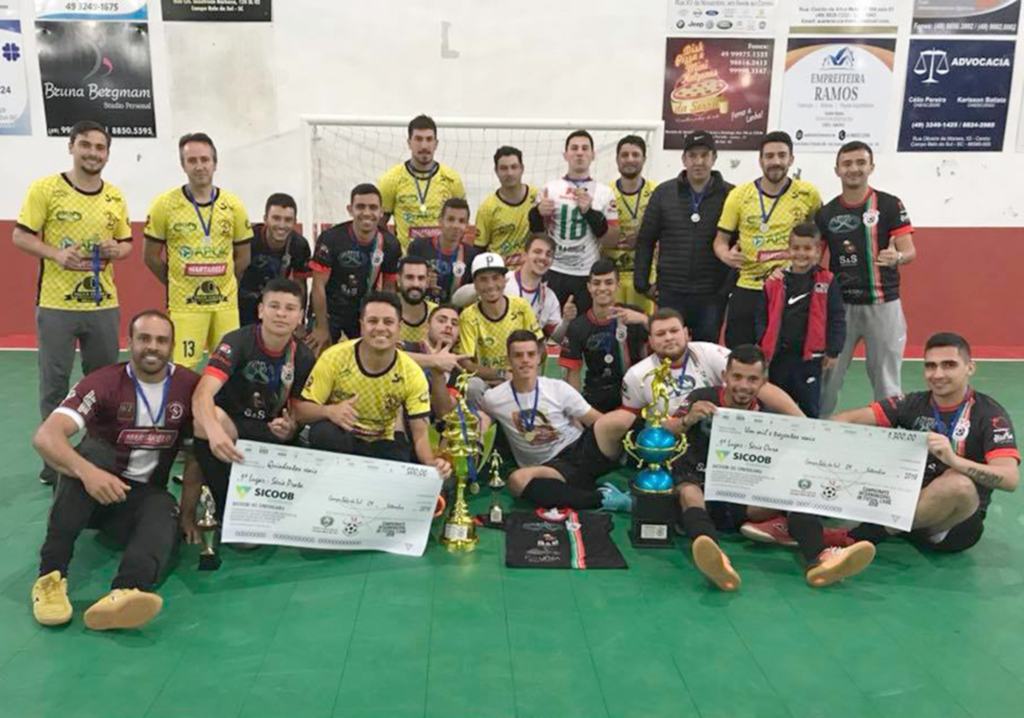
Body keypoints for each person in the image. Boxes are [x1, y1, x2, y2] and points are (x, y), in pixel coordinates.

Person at [29, 311, 200, 630]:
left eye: (161, 340)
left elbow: (195, 457)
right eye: (144, 339)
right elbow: (45, 437)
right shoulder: (104, 382)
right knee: (89, 457)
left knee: (163, 507)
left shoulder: (189, 385)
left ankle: (126, 592)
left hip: (138, 501)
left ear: (172, 346)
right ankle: (50, 578)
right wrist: (88, 473)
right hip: (90, 496)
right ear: (129, 342)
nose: (153, 347)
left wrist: (188, 513)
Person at [672, 345, 876, 591]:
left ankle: (819, 560)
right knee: (688, 491)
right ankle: (717, 558)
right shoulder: (701, 398)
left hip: (741, 499)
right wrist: (687, 419)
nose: (743, 385)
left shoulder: (767, 416)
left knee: (798, 489)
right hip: (699, 485)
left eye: (752, 379)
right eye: (737, 377)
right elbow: (666, 429)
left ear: (763, 382)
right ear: (725, 376)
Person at [13, 120, 133, 485]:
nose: (93, 153)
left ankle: (102, 455)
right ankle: (56, 464)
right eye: (86, 145)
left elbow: (127, 243)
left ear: (107, 154)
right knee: (55, 384)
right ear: (71, 147)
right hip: (56, 305)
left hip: (102, 305)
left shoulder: (114, 196)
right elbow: (21, 236)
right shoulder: (45, 189)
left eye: (100, 148)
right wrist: (56, 255)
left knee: (104, 387)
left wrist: (119, 249)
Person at [828, 333, 1018, 554]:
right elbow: (843, 420)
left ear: (970, 368)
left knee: (958, 484)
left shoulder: (990, 415)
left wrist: (953, 460)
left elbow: (1009, 479)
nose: (938, 374)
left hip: (950, 526)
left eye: (949, 365)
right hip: (906, 504)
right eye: (930, 366)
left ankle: (861, 537)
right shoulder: (912, 403)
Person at [187, 279, 316, 522]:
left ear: (300, 316)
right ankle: (222, 502)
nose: (280, 313)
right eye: (274, 306)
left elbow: (298, 412)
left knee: (256, 536)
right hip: (232, 427)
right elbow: (202, 394)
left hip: (269, 434)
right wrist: (215, 432)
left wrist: (290, 429)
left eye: (289, 308)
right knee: (204, 421)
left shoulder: (305, 357)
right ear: (260, 310)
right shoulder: (236, 342)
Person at [593, 308, 804, 451]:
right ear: (650, 340)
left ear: (686, 334)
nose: (668, 337)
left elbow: (760, 386)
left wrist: (803, 423)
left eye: (674, 331)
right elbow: (631, 420)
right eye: (660, 333)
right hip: (670, 439)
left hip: (719, 435)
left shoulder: (710, 353)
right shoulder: (637, 375)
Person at [293, 292, 451, 479]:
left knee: (405, 466)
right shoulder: (334, 357)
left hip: (382, 442)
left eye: (388, 322)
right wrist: (329, 411)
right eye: (373, 321)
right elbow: (299, 412)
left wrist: (431, 463)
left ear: (399, 328)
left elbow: (420, 434)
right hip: (344, 438)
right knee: (323, 433)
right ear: (361, 326)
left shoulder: (412, 373)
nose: (380, 328)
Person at [817, 141, 917, 417]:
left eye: (861, 162)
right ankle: (815, 430)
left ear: (871, 167)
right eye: (847, 163)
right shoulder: (826, 213)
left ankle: (891, 436)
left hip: (884, 306)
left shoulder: (889, 204)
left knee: (887, 380)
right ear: (837, 170)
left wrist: (896, 257)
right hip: (840, 309)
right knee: (828, 377)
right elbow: (814, 261)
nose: (854, 169)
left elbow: (908, 251)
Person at [481, 331, 628, 511]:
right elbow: (483, 416)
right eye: (518, 355)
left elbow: (597, 421)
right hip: (549, 468)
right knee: (517, 481)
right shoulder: (494, 398)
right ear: (508, 360)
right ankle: (602, 498)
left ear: (539, 358)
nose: (525, 360)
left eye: (531, 354)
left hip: (580, 451)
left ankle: (646, 470)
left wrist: (617, 434)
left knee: (620, 419)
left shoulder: (558, 388)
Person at [144, 132, 253, 372]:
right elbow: (150, 256)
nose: (199, 166)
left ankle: (220, 410)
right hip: (185, 306)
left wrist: (225, 282)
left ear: (215, 163)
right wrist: (175, 283)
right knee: (183, 368)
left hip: (225, 305)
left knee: (228, 366)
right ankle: (182, 411)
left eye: (205, 159)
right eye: (192, 161)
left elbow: (244, 256)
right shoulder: (165, 204)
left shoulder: (233, 205)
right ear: (183, 165)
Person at [714, 131, 821, 348]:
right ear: (760, 160)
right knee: (740, 353)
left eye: (782, 155)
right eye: (769, 156)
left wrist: (809, 267)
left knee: (784, 354)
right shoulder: (739, 195)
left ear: (791, 159)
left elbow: (819, 239)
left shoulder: (808, 194)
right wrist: (727, 256)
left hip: (790, 287)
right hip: (748, 288)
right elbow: (720, 241)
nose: (776, 162)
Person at [634, 131, 733, 343]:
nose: (699, 161)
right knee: (669, 350)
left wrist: (726, 289)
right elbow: (646, 240)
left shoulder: (731, 195)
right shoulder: (663, 193)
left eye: (705, 155)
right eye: (693, 155)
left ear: (714, 158)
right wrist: (642, 283)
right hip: (671, 291)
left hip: (712, 295)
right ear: (684, 159)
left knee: (706, 352)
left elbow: (737, 246)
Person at [755, 223, 845, 418]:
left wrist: (833, 350)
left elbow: (837, 317)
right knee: (773, 409)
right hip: (779, 358)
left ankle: (807, 447)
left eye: (807, 248)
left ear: (817, 251)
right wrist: (762, 343)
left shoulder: (827, 280)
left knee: (809, 410)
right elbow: (761, 316)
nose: (801, 253)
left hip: (810, 361)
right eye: (796, 248)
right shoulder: (774, 282)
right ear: (788, 250)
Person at [530, 129, 619, 312]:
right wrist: (538, 214)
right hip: (554, 270)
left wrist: (590, 214)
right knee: (550, 325)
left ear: (593, 155)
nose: (580, 153)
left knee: (582, 328)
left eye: (585, 148)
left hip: (586, 272)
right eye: (575, 148)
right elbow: (535, 237)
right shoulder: (550, 189)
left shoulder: (604, 192)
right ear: (566, 154)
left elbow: (612, 241)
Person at [306, 184, 401, 352]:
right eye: (360, 207)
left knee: (374, 354)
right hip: (329, 309)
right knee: (317, 351)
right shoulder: (330, 239)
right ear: (350, 210)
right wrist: (321, 327)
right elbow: (318, 286)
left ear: (381, 211)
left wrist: (387, 323)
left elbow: (389, 289)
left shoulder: (390, 244)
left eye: (372, 207)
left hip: (363, 310)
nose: (366, 213)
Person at [559, 259, 649, 413]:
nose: (602, 288)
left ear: (617, 285)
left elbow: (662, 339)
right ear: (589, 287)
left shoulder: (635, 315)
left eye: (608, 283)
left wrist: (644, 320)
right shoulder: (578, 326)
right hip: (597, 397)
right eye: (597, 283)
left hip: (636, 394)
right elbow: (572, 374)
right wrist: (579, 413)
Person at [378, 115, 466, 253]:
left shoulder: (452, 179)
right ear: (409, 143)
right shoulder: (391, 180)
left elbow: (461, 223)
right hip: (407, 265)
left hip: (442, 261)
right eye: (418, 139)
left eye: (429, 139)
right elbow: (380, 224)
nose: (424, 145)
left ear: (436, 143)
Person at [456, 253, 542, 390]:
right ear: (475, 284)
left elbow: (539, 346)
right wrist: (501, 374)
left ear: (504, 280)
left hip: (520, 378)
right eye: (483, 280)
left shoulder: (521, 307)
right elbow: (466, 363)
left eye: (495, 278)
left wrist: (520, 374)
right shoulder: (468, 316)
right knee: (473, 386)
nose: (490, 285)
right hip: (486, 382)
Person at [237, 193, 312, 327]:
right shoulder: (248, 239)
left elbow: (300, 285)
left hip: (275, 308)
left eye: (288, 220)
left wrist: (300, 322)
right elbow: (236, 273)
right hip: (242, 304)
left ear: (295, 222)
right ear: (265, 219)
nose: (282, 225)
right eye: (276, 218)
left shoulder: (299, 245)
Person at [607, 135, 657, 312]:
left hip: (644, 276)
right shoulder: (605, 192)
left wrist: (641, 238)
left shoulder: (656, 192)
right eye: (624, 155)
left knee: (643, 331)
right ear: (617, 159)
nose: (630, 159)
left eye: (635, 155)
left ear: (644, 158)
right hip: (612, 277)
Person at [475, 146, 538, 270]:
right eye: (503, 168)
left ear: (522, 169)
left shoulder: (536, 197)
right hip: (500, 276)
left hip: (530, 272)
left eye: (514, 167)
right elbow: (479, 249)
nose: (509, 173)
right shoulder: (487, 208)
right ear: (496, 171)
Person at [408, 198, 480, 305]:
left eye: (461, 221)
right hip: (422, 309)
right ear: (441, 221)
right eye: (450, 219)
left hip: (454, 314)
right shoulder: (418, 247)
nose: (455, 226)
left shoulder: (472, 255)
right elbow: (405, 283)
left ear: (466, 226)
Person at [402, 303, 465, 420]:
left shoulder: (458, 371)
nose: (448, 326)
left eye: (454, 323)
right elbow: (387, 357)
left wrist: (437, 372)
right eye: (442, 321)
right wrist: (434, 360)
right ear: (427, 328)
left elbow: (444, 413)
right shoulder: (407, 347)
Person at [504, 235, 571, 342]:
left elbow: (557, 337)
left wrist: (566, 321)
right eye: (537, 252)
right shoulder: (503, 282)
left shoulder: (550, 297)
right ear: (524, 255)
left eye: (548, 254)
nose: (543, 257)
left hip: (529, 355)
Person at [395, 255, 437, 345]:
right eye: (409, 277)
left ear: (427, 281)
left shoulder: (437, 314)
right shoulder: (385, 312)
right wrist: (433, 359)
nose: (416, 284)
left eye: (421, 278)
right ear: (398, 280)